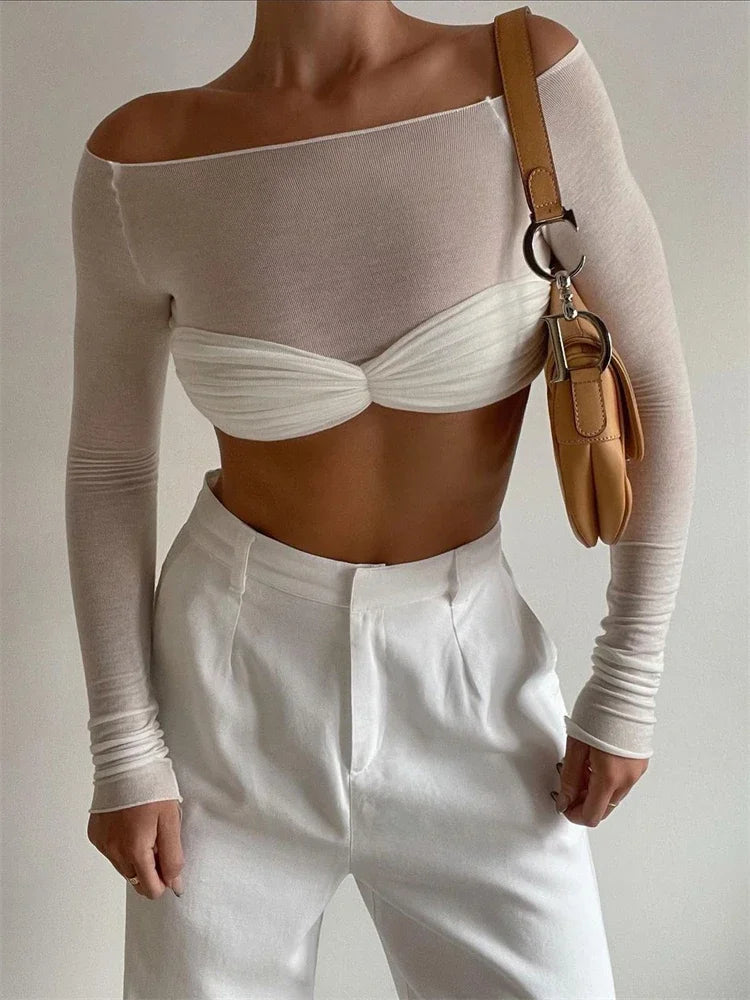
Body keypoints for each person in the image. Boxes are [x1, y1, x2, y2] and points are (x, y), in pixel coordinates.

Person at [65, 1, 697, 997]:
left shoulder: (525, 81)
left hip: (471, 669)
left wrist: (629, 678)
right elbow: (109, 467)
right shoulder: (140, 160)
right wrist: (125, 745)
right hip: (227, 686)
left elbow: (650, 385)